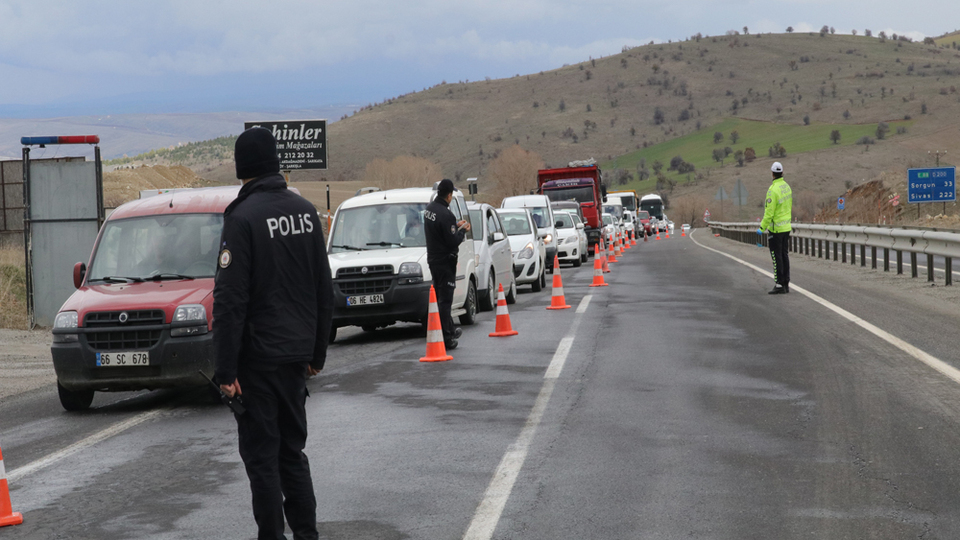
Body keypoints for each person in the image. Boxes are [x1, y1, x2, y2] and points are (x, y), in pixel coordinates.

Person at [213, 127, 333, 540]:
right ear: (276, 164)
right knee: (292, 455)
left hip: (258, 361)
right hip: (296, 358)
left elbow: (230, 301)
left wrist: (225, 370)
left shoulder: (241, 218)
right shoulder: (305, 212)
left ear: (241, 168)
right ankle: (307, 535)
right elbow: (323, 288)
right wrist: (317, 353)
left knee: (263, 459)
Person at [423, 179, 470, 349]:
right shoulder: (446, 214)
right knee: (445, 300)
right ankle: (447, 337)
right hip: (445, 262)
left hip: (433, 259)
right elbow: (452, 241)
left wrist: (454, 227)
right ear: (449, 195)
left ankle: (449, 327)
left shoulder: (429, 210)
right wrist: (463, 230)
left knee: (440, 297)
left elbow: (440, 232)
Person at [758, 161, 793, 294]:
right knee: (784, 255)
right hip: (786, 227)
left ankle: (779, 284)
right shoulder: (787, 187)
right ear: (782, 172)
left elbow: (769, 213)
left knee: (776, 256)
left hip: (776, 229)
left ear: (772, 174)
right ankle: (786, 283)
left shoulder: (773, 190)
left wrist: (762, 228)